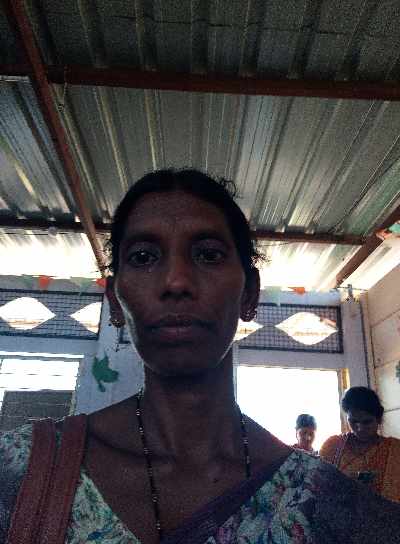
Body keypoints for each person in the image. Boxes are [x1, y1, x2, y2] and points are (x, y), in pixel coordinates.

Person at [1, 169, 399, 543]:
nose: (176, 281)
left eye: (208, 255)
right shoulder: (23, 470)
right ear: (115, 302)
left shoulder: (325, 504)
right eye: (143, 257)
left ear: (249, 293)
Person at [320, 386, 400, 503]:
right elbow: (319, 489)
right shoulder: (332, 447)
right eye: (353, 421)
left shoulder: (395, 450)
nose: (360, 428)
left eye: (367, 422)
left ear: (379, 419)